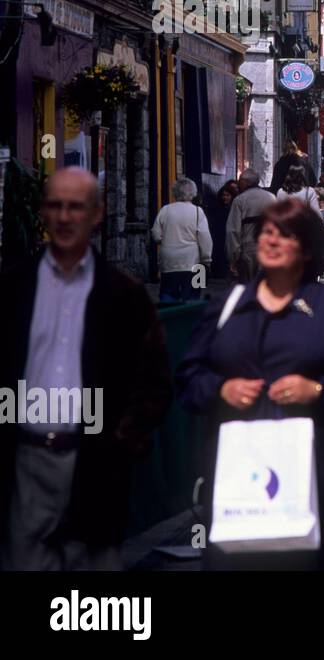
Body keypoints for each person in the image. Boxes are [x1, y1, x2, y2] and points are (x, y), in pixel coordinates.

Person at [177, 197, 324, 570]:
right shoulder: (229, 307)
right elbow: (188, 381)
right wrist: (220, 390)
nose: (272, 241)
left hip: (322, 494)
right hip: (241, 495)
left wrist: (321, 392)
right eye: (267, 233)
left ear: (306, 249)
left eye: (285, 235)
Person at [0, 168, 172, 571]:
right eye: (55, 206)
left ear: (96, 214)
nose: (64, 217)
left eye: (75, 207)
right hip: (24, 463)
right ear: (42, 212)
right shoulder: (12, 290)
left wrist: (119, 441)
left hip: (94, 464)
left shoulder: (124, 296)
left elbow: (155, 384)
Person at [151, 176, 213, 303]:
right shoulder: (198, 211)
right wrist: (207, 260)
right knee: (195, 295)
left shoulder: (165, 209)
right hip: (196, 263)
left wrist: (166, 240)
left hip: (168, 261)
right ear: (193, 193)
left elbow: (156, 234)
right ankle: (191, 320)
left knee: (168, 293)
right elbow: (205, 238)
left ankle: (170, 319)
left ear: (175, 192)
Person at [226, 168, 276, 283]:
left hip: (248, 250)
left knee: (247, 287)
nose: (238, 183)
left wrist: (233, 257)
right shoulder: (272, 198)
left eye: (240, 181)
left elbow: (233, 231)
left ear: (245, 182)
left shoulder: (239, 200)